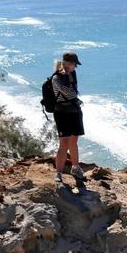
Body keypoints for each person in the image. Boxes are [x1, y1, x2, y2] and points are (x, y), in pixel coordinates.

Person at [51, 52, 85, 184]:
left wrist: (70, 79)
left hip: (74, 111)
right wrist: (67, 78)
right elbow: (68, 92)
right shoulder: (56, 78)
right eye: (73, 64)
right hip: (62, 113)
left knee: (74, 141)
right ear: (66, 63)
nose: (75, 67)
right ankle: (58, 173)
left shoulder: (71, 75)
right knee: (64, 143)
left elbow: (73, 92)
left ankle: (75, 167)